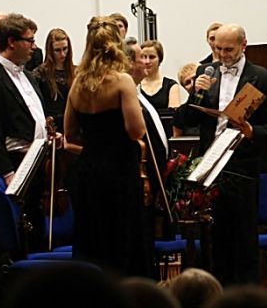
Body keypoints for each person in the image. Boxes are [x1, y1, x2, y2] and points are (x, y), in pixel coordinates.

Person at [175, 23, 267, 285]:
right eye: (218, 48)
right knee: (214, 237)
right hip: (210, 165)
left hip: (242, 164)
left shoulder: (263, 78)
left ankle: (245, 294)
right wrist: (194, 95)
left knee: (244, 236)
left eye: (229, 49)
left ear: (244, 45)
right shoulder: (205, 72)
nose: (222, 54)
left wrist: (251, 131)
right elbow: (186, 119)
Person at [64, 16, 150, 276]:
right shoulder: (122, 81)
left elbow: (70, 133)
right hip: (120, 170)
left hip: (89, 170)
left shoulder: (78, 83)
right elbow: (136, 130)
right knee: (122, 237)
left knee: (93, 236)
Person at [0, 13, 58, 250]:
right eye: (30, 40)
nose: (34, 47)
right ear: (11, 42)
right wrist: (8, 174)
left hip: (37, 165)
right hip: (14, 168)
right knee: (16, 239)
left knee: (37, 233)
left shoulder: (28, 76)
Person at [124, 37, 170, 278]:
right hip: (138, 185)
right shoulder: (126, 95)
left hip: (150, 185)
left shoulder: (137, 93)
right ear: (128, 63)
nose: (146, 62)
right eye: (141, 57)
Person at [32, 28, 76, 132]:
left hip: (72, 125)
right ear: (50, 51)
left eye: (65, 49)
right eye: (57, 50)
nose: (62, 54)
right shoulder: (39, 74)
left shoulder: (76, 72)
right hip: (50, 127)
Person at [140, 40, 180, 111]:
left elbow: (173, 114)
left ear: (160, 59)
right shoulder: (134, 85)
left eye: (152, 57)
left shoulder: (171, 85)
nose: (147, 61)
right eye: (144, 57)